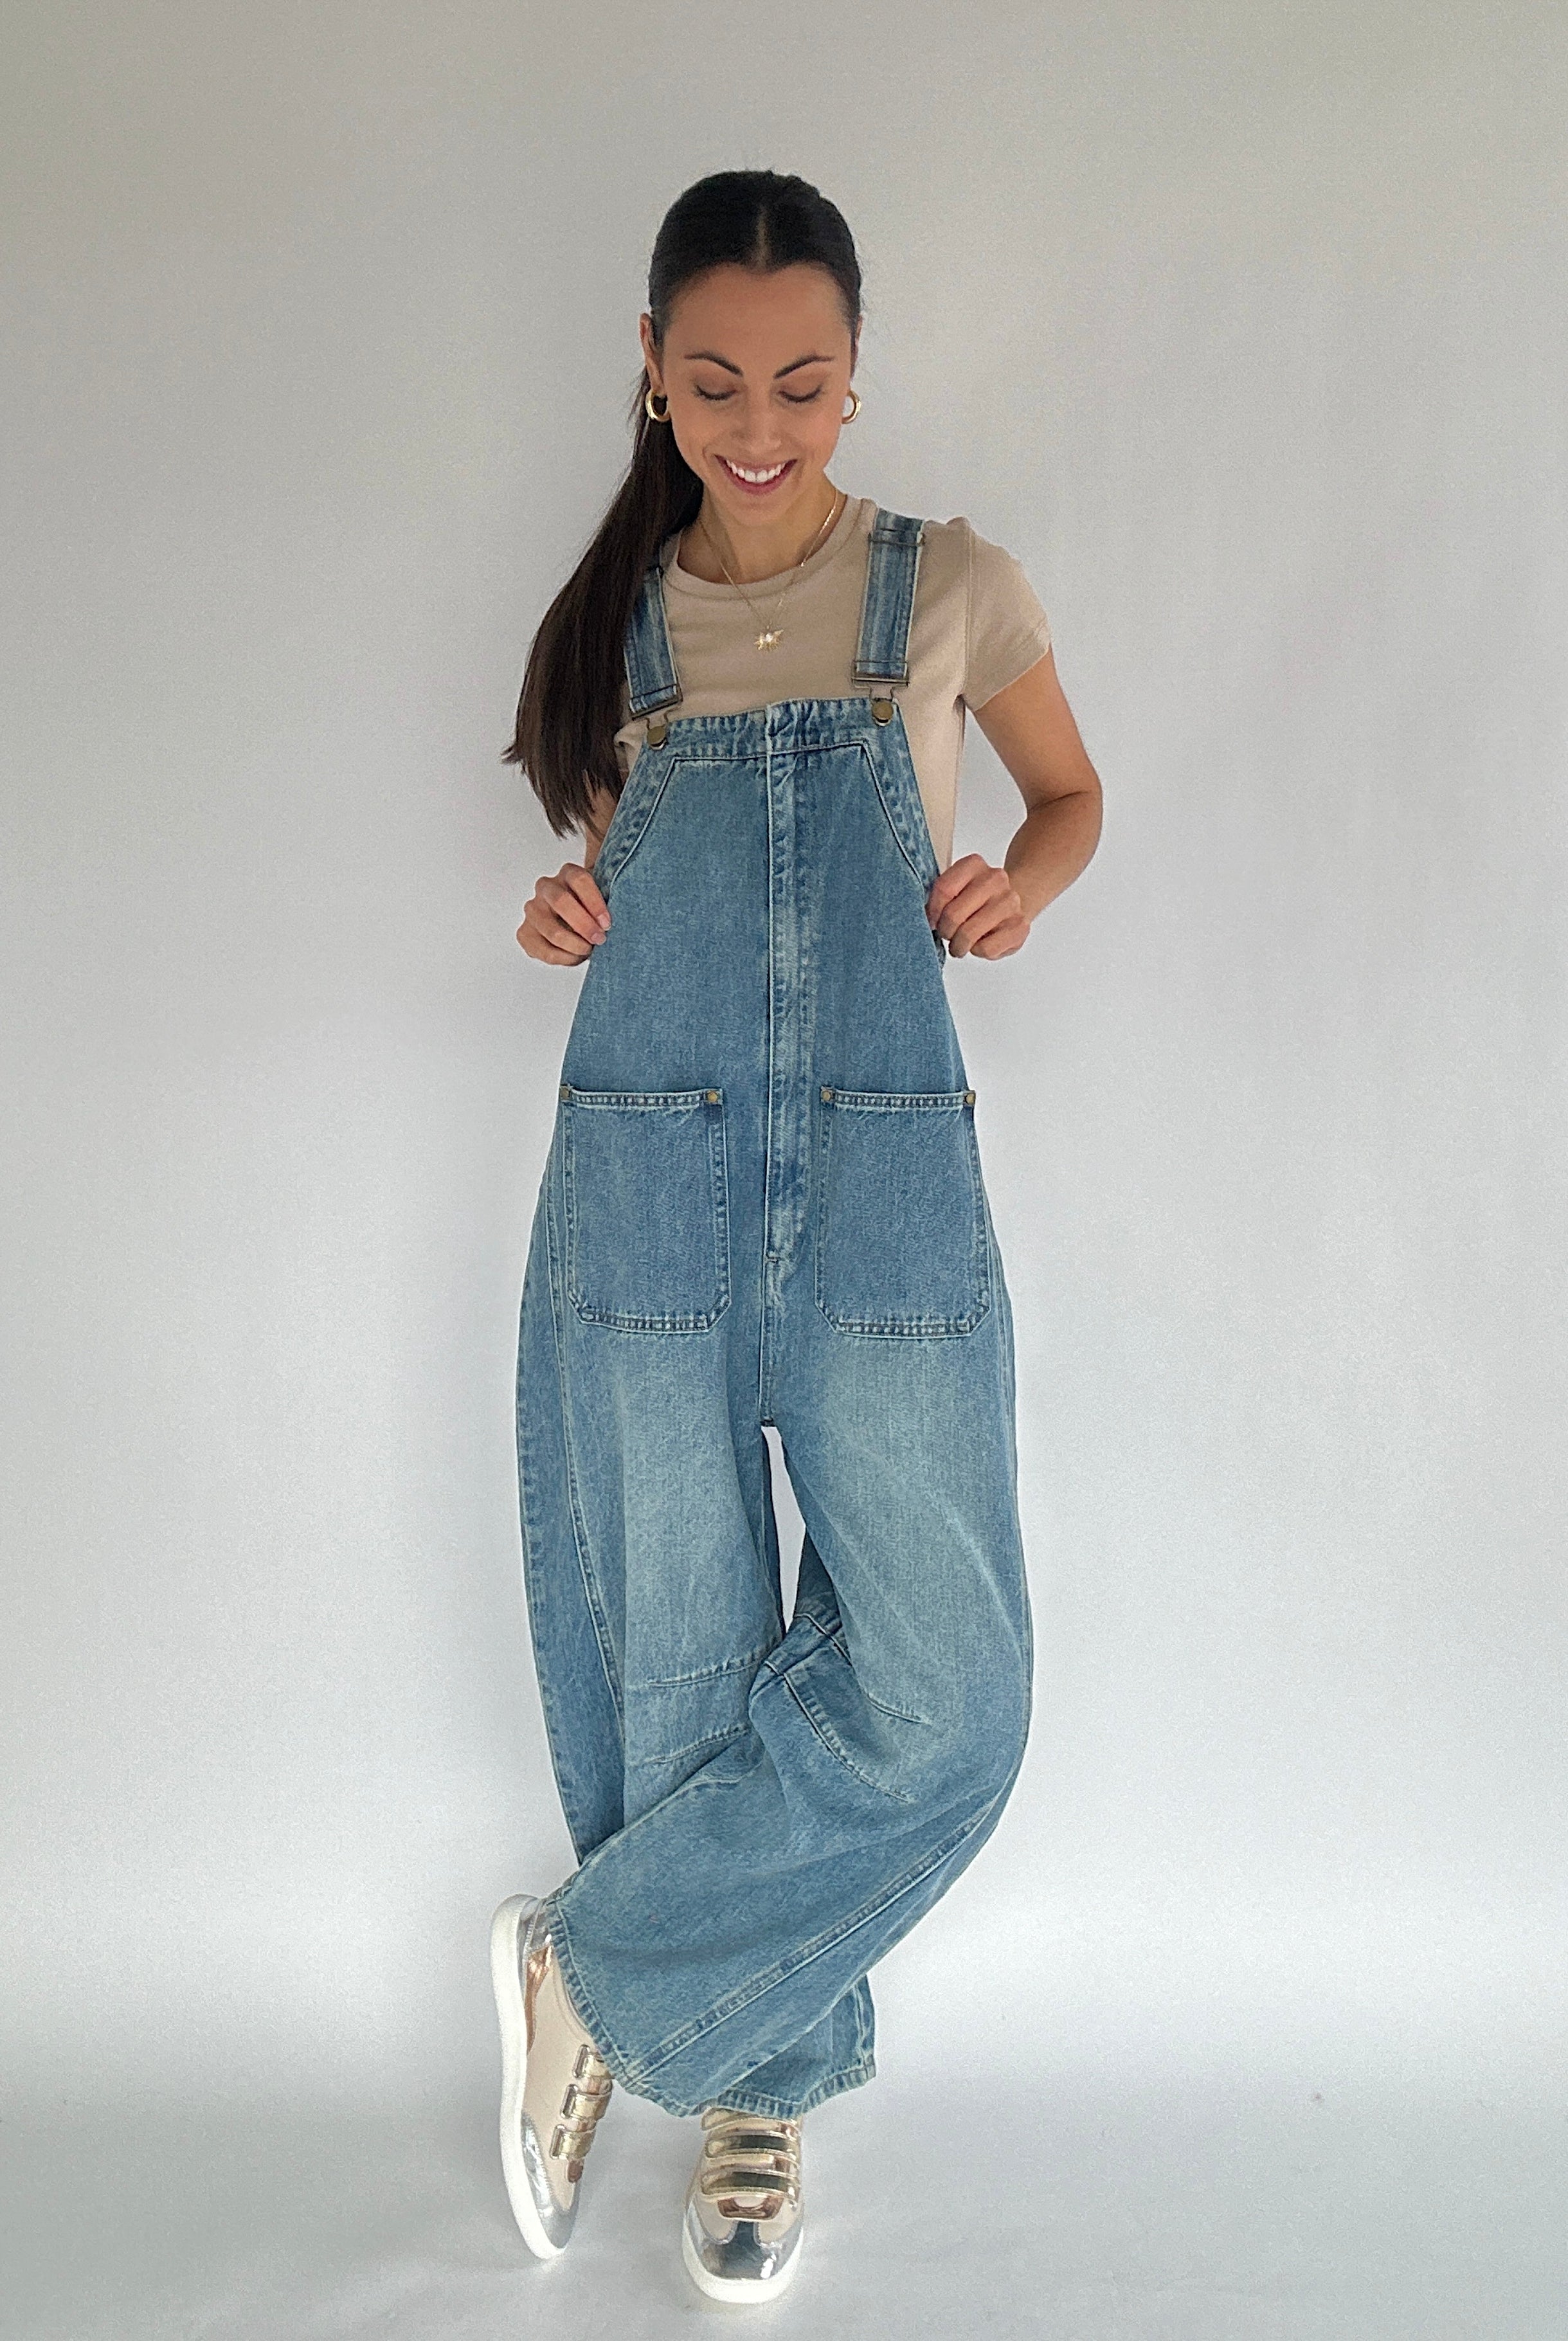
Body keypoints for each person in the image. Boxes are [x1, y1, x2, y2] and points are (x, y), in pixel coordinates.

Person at [491, 168, 1101, 2304]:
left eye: (808, 383)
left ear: (857, 382)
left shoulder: (951, 586)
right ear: (654, 379)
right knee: (682, 1649)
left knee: (952, 1686)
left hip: (883, 1159)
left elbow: (1068, 796)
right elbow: (600, 890)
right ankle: (760, 2100)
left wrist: (1024, 879)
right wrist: (563, 908)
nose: (764, 422)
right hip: (646, 1153)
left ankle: (595, 1970)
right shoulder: (618, 633)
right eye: (720, 380)